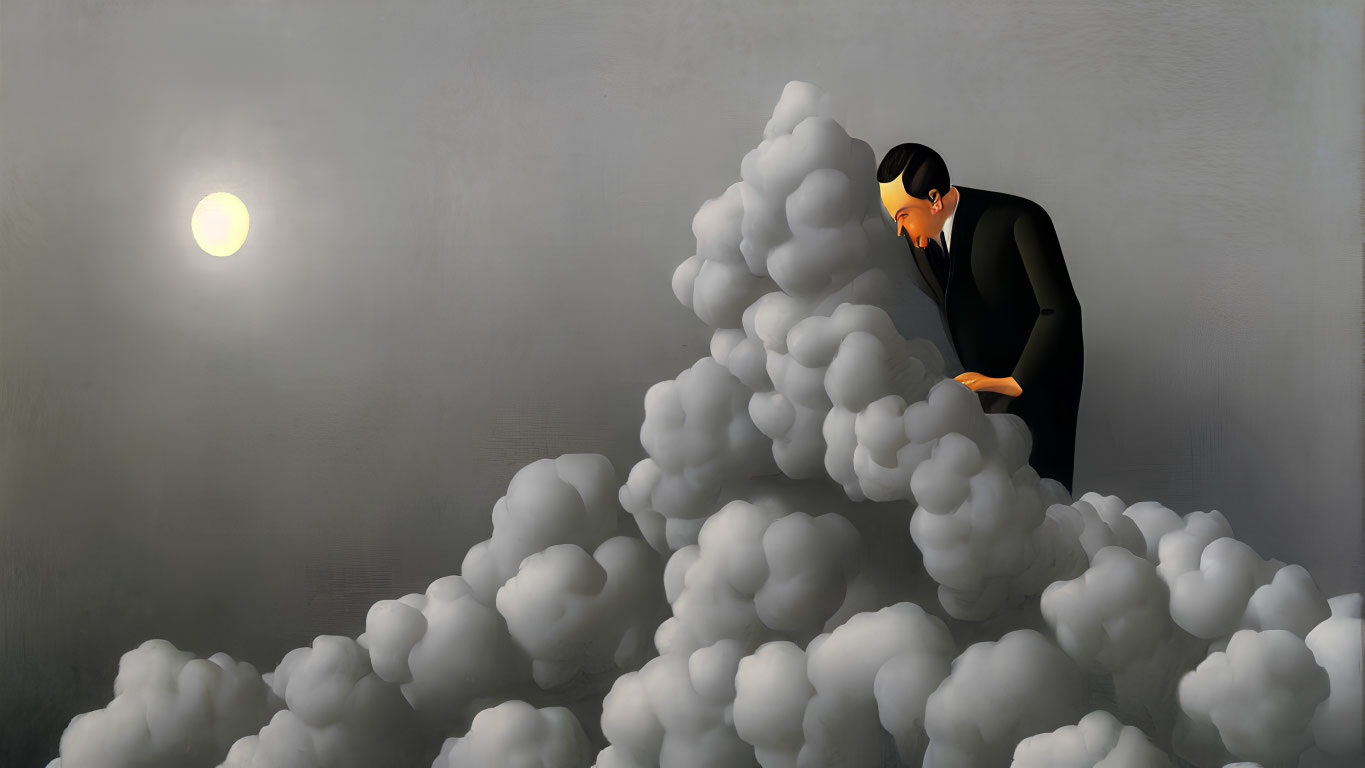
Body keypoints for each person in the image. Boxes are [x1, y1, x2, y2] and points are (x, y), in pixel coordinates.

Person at [877, 143, 1084, 491]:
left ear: (935, 200)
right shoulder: (919, 237)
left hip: (1038, 386)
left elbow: (1059, 311)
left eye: (904, 215)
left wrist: (1011, 383)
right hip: (979, 393)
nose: (900, 230)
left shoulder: (1020, 220)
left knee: (1045, 500)